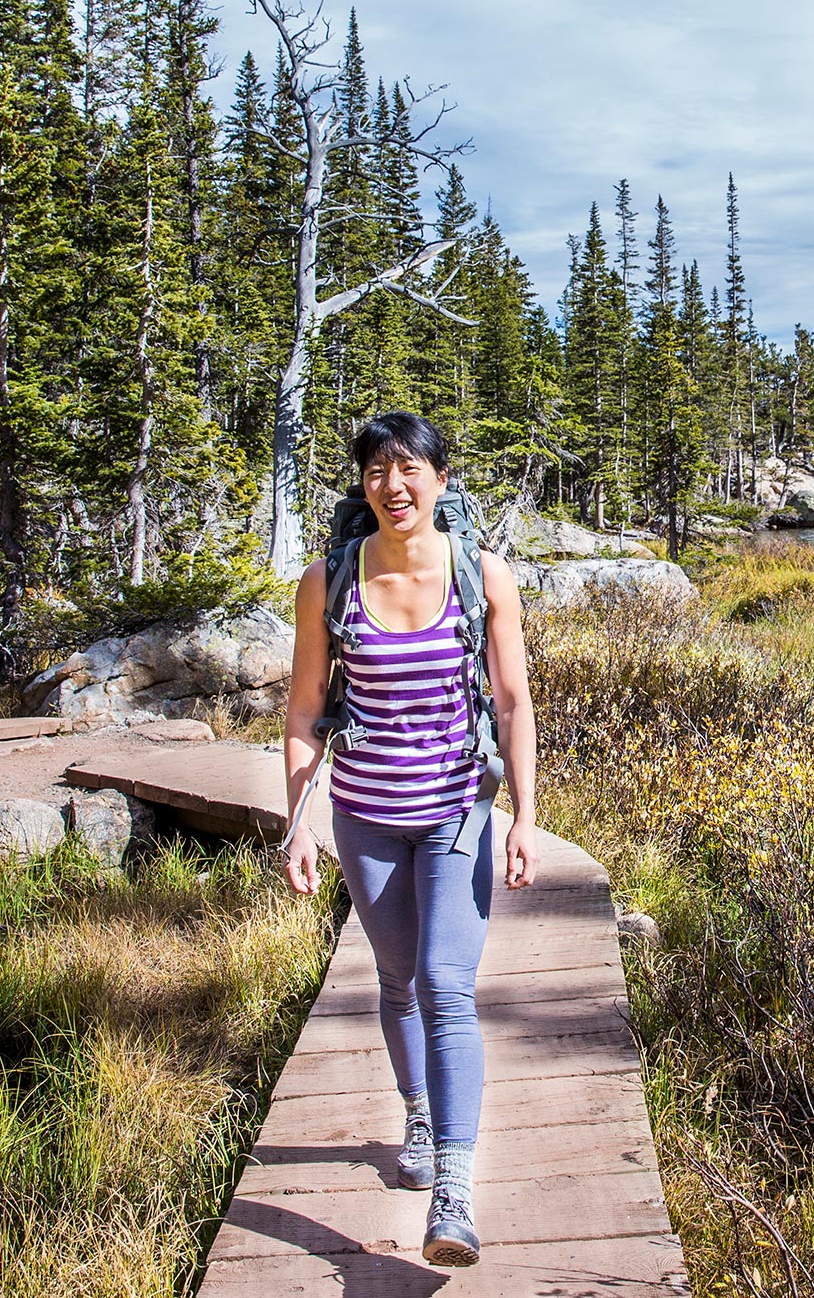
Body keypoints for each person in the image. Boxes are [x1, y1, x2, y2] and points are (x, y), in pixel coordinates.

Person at [280, 411, 539, 1268]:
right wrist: (298, 825)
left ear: (438, 477)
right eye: (376, 472)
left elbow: (511, 705)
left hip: (459, 810)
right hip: (363, 814)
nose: (393, 486)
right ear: (363, 487)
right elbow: (304, 713)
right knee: (396, 980)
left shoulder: (482, 574)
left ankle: (453, 1196)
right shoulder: (329, 581)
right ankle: (418, 1111)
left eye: (409, 469)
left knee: (444, 983)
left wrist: (526, 820)